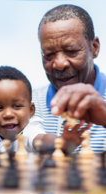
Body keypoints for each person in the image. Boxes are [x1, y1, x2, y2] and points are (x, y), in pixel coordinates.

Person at [33, 4, 106, 152]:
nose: (59, 64)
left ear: (94, 48)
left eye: (71, 51)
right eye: (48, 55)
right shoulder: (28, 105)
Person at [0, 66, 90, 153]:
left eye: (17, 106)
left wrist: (61, 142)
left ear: (31, 110)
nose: (8, 114)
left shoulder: (29, 131)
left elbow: (43, 139)